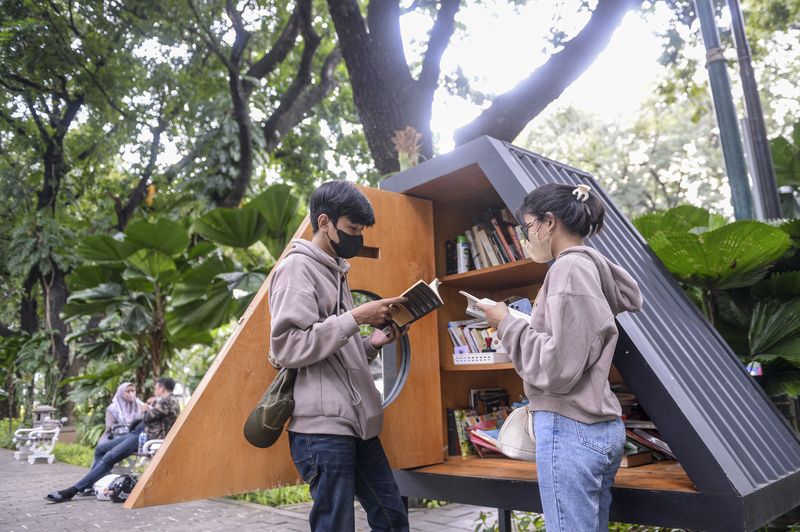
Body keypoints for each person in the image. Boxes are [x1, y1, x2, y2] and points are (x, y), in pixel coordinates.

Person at [478, 183, 643, 532]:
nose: (528, 236)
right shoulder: (589, 269)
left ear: (548, 222)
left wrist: (505, 322)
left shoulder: (568, 271)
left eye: (527, 227)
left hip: (571, 428)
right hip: (596, 426)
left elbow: (557, 368)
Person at [269, 180, 410, 532]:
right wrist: (358, 316)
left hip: (357, 424)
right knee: (336, 525)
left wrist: (373, 342)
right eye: (352, 229)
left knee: (392, 516)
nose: (358, 238)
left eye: (361, 230)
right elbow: (286, 346)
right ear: (325, 222)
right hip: (321, 430)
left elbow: (334, 350)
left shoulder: (336, 271)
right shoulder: (296, 269)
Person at [45, 377, 180, 503]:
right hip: (137, 433)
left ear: (162, 388)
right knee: (100, 449)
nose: (155, 391)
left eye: (156, 388)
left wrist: (145, 409)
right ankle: (92, 484)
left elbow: (147, 418)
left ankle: (72, 491)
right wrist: (153, 403)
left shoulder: (170, 401)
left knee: (109, 457)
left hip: (146, 438)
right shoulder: (164, 401)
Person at [97, 382, 145, 447]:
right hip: (116, 437)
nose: (131, 393)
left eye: (133, 391)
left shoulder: (139, 404)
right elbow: (110, 427)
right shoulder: (113, 409)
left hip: (135, 436)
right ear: (121, 393)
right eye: (128, 391)